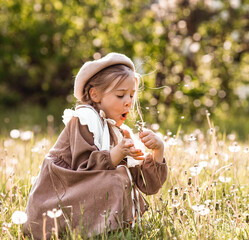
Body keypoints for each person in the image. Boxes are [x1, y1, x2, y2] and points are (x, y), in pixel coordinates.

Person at [23, 53, 168, 239]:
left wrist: (158, 150)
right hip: (55, 204)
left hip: (82, 199)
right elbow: (83, 169)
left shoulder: (118, 132)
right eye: (120, 95)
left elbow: (147, 186)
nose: (128, 102)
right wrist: (116, 154)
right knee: (117, 179)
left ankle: (114, 230)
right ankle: (104, 230)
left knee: (122, 177)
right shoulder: (84, 120)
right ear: (95, 94)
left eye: (132, 95)